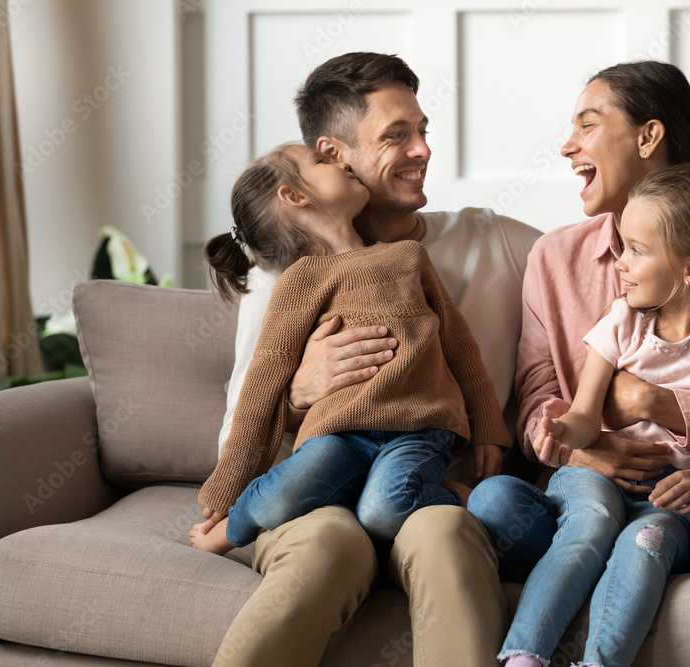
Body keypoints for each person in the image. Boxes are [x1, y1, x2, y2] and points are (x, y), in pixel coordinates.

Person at [202, 53, 543, 667]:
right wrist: (300, 391)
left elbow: (620, 259)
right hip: (318, 496)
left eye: (422, 130)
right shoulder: (282, 277)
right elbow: (243, 425)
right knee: (332, 543)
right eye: (396, 136)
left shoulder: (490, 238)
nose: (423, 150)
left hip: (424, 483)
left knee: (440, 534)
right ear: (333, 157)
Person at [468, 59, 690, 646]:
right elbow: (537, 399)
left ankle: (648, 556)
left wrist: (659, 403)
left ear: (649, 137)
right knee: (494, 502)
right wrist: (583, 452)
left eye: (587, 125)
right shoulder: (553, 259)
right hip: (588, 498)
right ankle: (628, 562)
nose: (566, 146)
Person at [189, 142, 509, 557]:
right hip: (336, 435)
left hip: (418, 428)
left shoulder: (409, 258)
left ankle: (452, 497)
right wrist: (228, 482)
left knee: (383, 512)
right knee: (275, 499)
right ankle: (236, 527)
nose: (342, 162)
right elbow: (262, 384)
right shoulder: (299, 282)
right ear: (295, 196)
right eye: (323, 161)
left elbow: (461, 350)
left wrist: (487, 427)